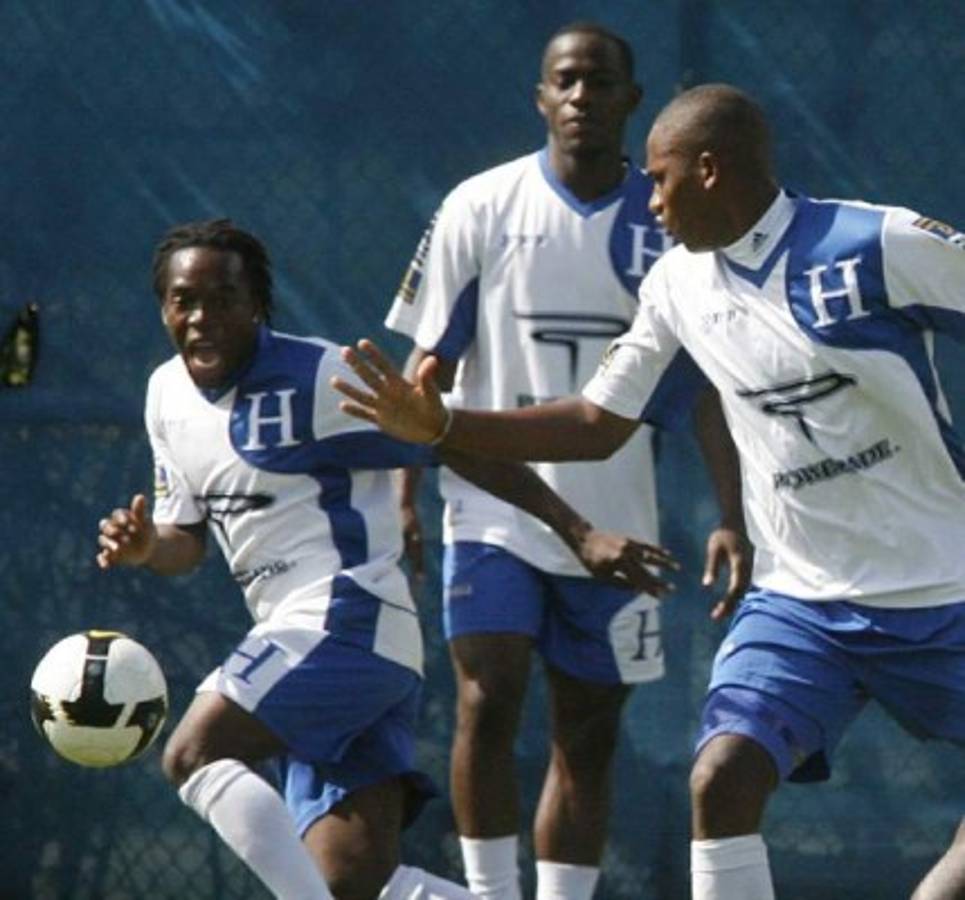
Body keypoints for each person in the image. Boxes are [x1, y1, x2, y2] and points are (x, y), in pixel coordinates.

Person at [333, 83, 965, 900]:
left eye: (660, 179)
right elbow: (596, 421)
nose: (650, 199)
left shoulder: (877, 242)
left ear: (707, 170)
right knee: (720, 780)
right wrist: (443, 425)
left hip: (944, 588)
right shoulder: (676, 284)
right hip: (801, 603)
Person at [95, 219, 680, 900]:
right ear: (163, 306)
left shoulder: (320, 376)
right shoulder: (164, 394)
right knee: (353, 881)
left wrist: (576, 532)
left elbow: (452, 444)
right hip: (317, 640)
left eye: (221, 298)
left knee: (195, 752)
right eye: (181, 300)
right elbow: (183, 542)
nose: (200, 318)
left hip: (346, 618)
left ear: (257, 303)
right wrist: (144, 548)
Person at [383, 21, 750, 900]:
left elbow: (707, 391)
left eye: (599, 82)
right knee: (487, 694)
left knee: (584, 736)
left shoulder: (670, 223)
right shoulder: (479, 205)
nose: (581, 97)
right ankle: (487, 893)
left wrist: (735, 517)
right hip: (489, 507)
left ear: (632, 100)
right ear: (541, 98)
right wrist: (405, 492)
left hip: (621, 521)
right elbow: (422, 373)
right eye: (565, 81)